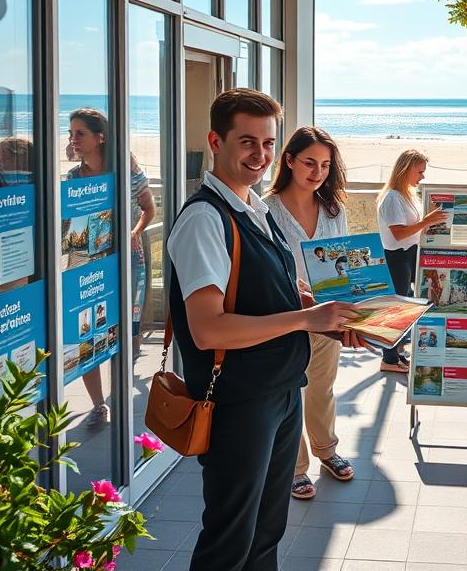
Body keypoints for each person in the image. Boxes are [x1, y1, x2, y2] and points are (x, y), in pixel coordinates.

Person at [166, 89, 362, 571]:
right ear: (216, 141)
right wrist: (306, 318)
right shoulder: (205, 219)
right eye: (247, 142)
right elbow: (208, 329)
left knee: (266, 532)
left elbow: (278, 291)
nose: (260, 155)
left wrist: (330, 317)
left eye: (268, 143)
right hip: (238, 402)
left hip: (279, 392)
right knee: (230, 539)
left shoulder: (253, 209)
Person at [264, 126, 356, 501]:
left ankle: (326, 449)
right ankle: (295, 467)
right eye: (309, 162)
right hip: (283, 320)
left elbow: (347, 266)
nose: (317, 171)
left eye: (324, 165)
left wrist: (357, 314)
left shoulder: (334, 209)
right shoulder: (264, 209)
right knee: (287, 394)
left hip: (327, 316)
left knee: (322, 388)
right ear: (288, 161)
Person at [65, 108, 156, 427]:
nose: (73, 139)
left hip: (128, 258)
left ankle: (122, 391)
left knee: (126, 330)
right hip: (88, 262)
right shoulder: (74, 178)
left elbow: (149, 209)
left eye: (80, 133)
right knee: (87, 330)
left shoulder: (126, 172)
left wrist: (134, 232)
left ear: (100, 137)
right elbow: (72, 220)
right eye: (71, 133)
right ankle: (98, 405)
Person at [376, 149, 448, 373]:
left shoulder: (406, 194)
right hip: (397, 256)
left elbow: (413, 227)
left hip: (410, 253)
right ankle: (388, 358)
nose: (422, 177)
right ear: (406, 170)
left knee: (406, 304)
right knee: (396, 308)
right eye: (419, 172)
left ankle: (396, 351)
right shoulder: (392, 197)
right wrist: (427, 221)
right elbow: (398, 233)